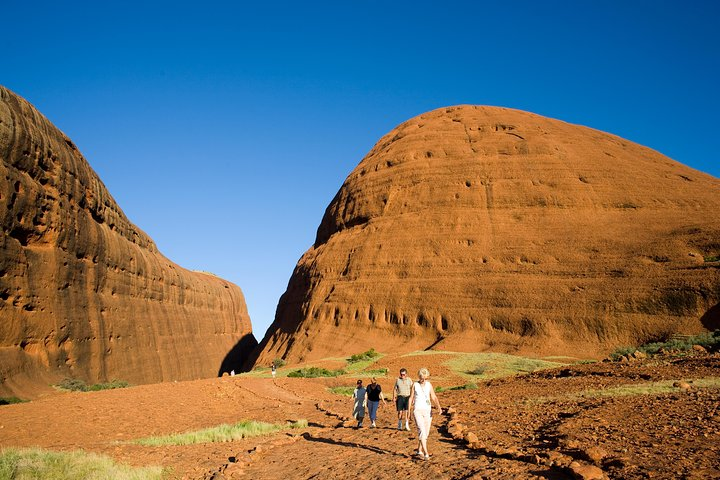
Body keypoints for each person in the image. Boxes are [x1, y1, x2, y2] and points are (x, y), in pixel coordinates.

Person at [409, 367, 441, 460]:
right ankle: (426, 453)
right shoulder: (415, 385)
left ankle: (419, 450)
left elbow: (433, 396)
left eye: (425, 378)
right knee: (422, 431)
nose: (423, 380)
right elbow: (411, 398)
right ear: (419, 377)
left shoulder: (429, 385)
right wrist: (409, 411)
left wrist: (438, 407)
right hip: (417, 410)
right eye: (422, 378)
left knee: (426, 433)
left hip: (428, 411)